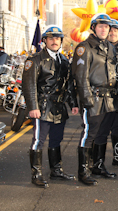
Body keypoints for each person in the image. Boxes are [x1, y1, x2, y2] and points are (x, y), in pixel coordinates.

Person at [22, 25, 79, 188]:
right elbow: (29, 85)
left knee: (56, 139)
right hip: (42, 106)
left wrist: (73, 103)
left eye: (58, 38)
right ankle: (36, 174)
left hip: (59, 107)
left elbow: (69, 85)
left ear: (61, 41)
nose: (55, 41)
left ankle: (56, 170)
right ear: (45, 40)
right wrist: (33, 107)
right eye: (51, 38)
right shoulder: (34, 60)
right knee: (38, 141)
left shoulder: (63, 60)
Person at [71, 13, 118, 186]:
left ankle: (97, 166)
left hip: (107, 98)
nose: (104, 29)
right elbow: (80, 76)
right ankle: (83, 171)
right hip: (93, 97)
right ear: (93, 28)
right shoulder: (84, 47)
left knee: (102, 134)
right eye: (100, 26)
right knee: (88, 135)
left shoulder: (109, 47)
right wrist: (86, 100)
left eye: (107, 27)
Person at [93, 19, 118, 170]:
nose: (113, 33)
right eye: (111, 30)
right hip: (103, 96)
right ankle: (97, 163)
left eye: (116, 31)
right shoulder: (99, 48)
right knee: (101, 129)